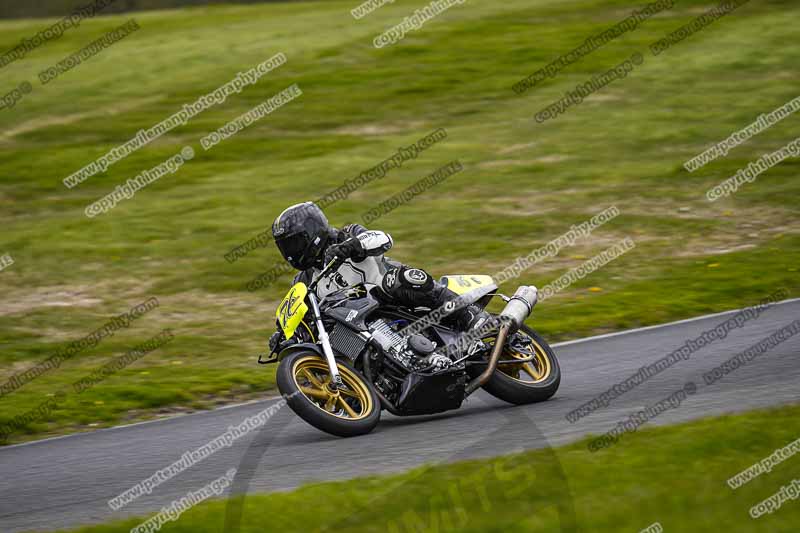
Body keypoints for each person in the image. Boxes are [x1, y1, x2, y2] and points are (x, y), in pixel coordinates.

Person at [269, 201, 489, 350]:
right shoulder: (304, 280)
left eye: (294, 243)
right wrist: (283, 335)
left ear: (312, 232)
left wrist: (352, 246)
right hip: (359, 321)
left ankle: (468, 314)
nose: (291, 252)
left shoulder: (347, 235)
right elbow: (299, 312)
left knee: (402, 278)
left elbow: (384, 238)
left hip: (387, 296)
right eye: (285, 247)